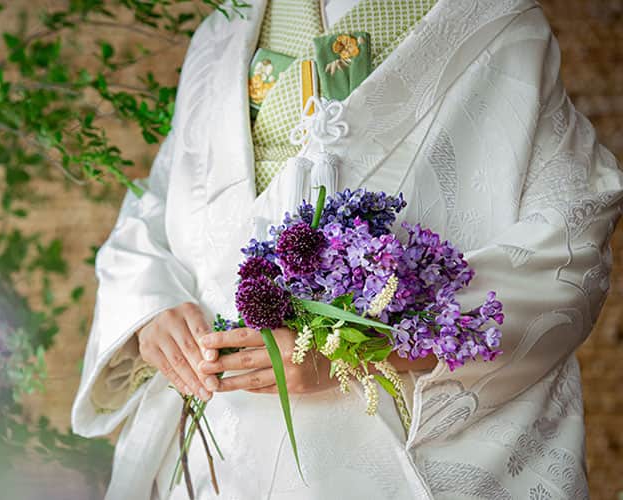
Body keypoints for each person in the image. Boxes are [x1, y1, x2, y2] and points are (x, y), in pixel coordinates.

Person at [72, 0, 623, 498]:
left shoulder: (496, 24)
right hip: (215, 441)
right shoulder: (224, 29)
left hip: (382, 435)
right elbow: (160, 202)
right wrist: (149, 310)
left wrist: (361, 348)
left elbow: (570, 238)